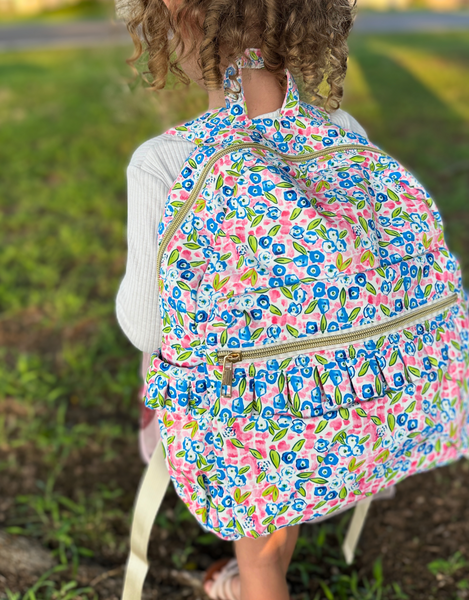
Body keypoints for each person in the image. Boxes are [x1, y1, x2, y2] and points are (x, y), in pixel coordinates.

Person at [116, 3, 361, 599]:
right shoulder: (347, 133)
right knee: (274, 526)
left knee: (258, 564)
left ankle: (255, 582)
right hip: (339, 403)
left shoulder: (165, 163)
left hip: (239, 426)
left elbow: (148, 327)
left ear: (173, 27)